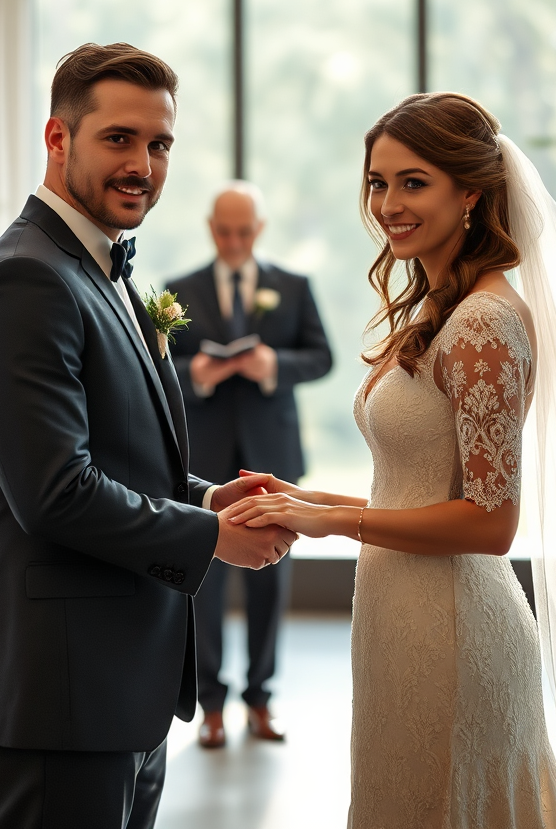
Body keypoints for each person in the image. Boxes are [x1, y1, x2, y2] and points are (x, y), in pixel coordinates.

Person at [226, 93, 556, 828]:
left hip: (453, 626)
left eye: (414, 182)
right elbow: (412, 485)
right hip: (401, 615)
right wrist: (306, 501)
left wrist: (334, 525)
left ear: (471, 191)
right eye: (378, 182)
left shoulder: (485, 325)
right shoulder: (439, 310)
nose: (389, 204)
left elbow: (491, 522)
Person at [0, 42, 295, 829]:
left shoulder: (102, 268)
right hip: (59, 689)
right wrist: (211, 536)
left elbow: (117, 453)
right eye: (119, 138)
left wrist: (209, 494)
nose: (143, 163)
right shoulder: (24, 279)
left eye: (160, 143)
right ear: (57, 137)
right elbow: (54, 493)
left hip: (116, 685)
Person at [166, 183, 333, 747]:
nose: (233, 241)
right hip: (205, 457)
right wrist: (195, 376)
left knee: (271, 579)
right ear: (211, 228)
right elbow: (159, 369)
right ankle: (210, 704)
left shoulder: (293, 285)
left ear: (259, 230)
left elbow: (322, 357)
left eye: (243, 231)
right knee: (203, 577)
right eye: (223, 231)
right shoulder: (178, 290)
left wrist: (271, 365)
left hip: (272, 455)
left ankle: (261, 698)